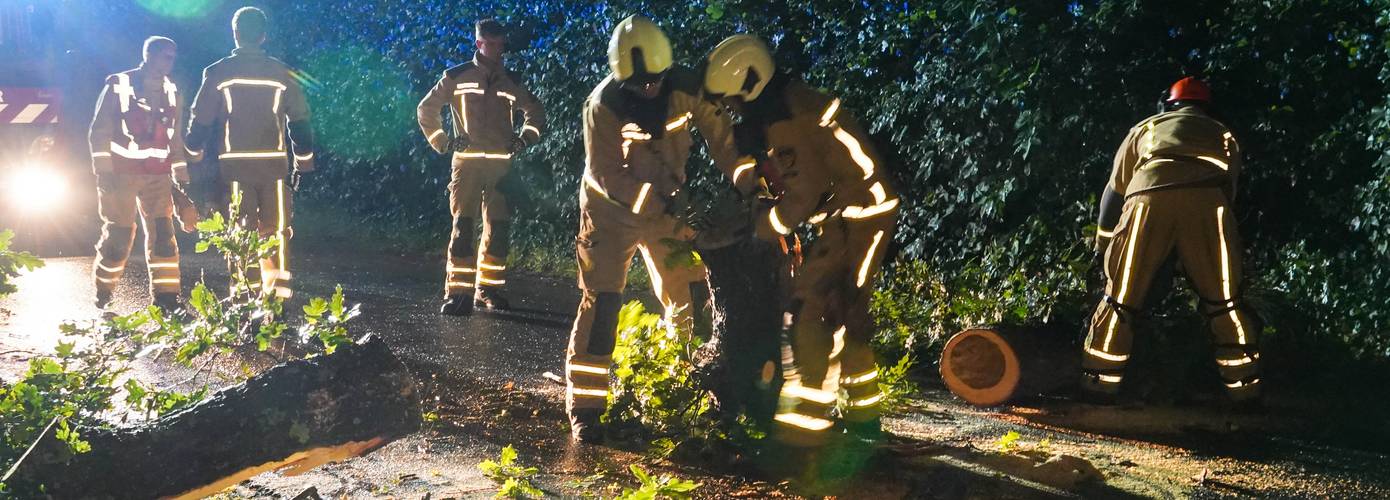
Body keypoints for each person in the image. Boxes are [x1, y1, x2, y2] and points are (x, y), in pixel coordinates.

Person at [703, 34, 900, 447]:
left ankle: (803, 435)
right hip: (858, 213)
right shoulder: (793, 100)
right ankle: (865, 420)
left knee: (809, 315)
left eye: (732, 100)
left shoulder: (786, 121)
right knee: (842, 311)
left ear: (749, 85)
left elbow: (803, 193)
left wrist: (762, 228)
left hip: (857, 218)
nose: (731, 109)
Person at [564, 15, 751, 443]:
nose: (650, 89)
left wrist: (746, 181)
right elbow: (607, 174)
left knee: (691, 294)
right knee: (604, 303)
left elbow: (724, 141)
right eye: (641, 84)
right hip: (610, 211)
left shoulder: (685, 87)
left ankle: (693, 388)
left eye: (655, 81)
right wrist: (665, 205)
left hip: (668, 206)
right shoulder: (602, 105)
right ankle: (587, 409)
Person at [1081, 76, 1262, 405]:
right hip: (1210, 204)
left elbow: (1113, 193)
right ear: (1207, 107)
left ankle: (1099, 385)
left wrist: (1103, 245)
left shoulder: (1147, 128)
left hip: (1147, 201)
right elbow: (1229, 192)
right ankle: (1244, 390)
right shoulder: (1224, 134)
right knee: (1224, 302)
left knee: (1121, 298)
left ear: (1168, 104)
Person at [417, 19, 546, 315]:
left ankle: (488, 289)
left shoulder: (513, 80)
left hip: (502, 168)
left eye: (502, 44)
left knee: (498, 229)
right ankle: (458, 294)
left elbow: (536, 113)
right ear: (479, 44)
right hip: (468, 165)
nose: (499, 50)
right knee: (463, 228)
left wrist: (524, 139)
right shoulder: (456, 76)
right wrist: (444, 141)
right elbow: (426, 109)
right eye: (493, 44)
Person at [186, 6, 314, 299]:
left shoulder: (219, 72)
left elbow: (201, 121)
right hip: (275, 169)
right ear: (264, 35)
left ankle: (245, 299)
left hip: (235, 170)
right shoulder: (282, 73)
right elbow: (300, 121)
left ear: (235, 34)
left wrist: (192, 155)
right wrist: (303, 165)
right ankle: (277, 299)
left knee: (242, 234)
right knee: (276, 233)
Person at [87, 36, 194, 311]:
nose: (170, 62)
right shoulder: (119, 85)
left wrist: (181, 179)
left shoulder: (173, 92)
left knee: (164, 237)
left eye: (173, 56)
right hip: (120, 175)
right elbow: (99, 130)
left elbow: (175, 138)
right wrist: (104, 171)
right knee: (119, 236)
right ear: (148, 55)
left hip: (157, 177)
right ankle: (103, 292)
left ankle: (167, 298)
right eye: (165, 56)